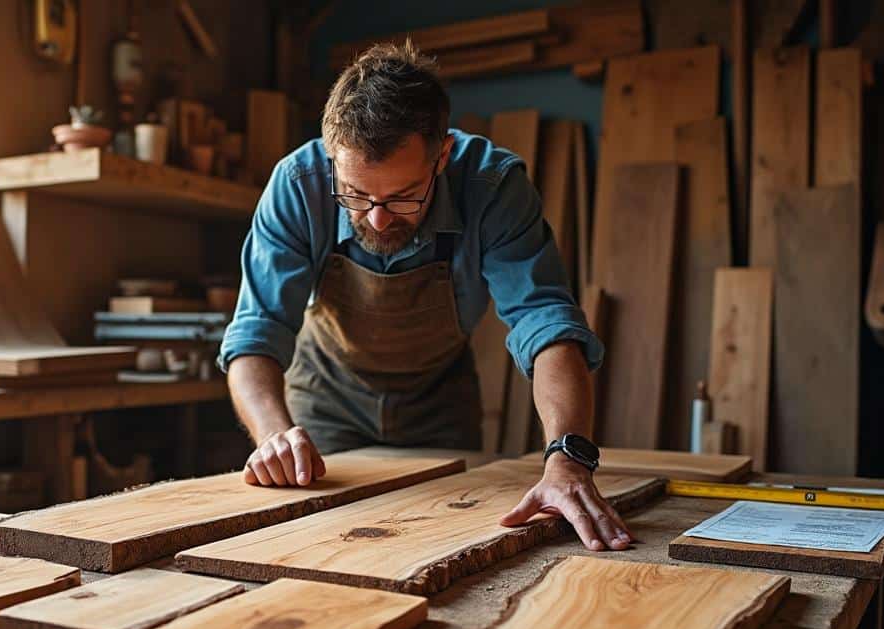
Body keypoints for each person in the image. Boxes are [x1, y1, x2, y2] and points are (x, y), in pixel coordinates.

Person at [218, 42, 630, 552]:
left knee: (445, 547)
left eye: (401, 197)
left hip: (440, 403)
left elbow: (544, 321)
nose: (377, 218)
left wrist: (568, 456)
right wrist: (274, 436)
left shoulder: (491, 186)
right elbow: (256, 333)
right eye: (355, 195)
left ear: (443, 155)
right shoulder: (297, 185)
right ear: (332, 157)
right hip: (324, 403)